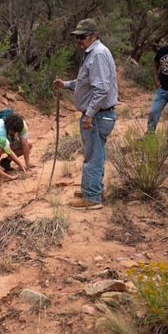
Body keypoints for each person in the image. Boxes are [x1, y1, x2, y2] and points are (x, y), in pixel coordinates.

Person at [55, 18, 118, 210]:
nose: (79, 41)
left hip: (98, 116)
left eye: (82, 37)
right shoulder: (93, 53)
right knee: (94, 153)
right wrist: (66, 84)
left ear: (94, 35)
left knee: (93, 156)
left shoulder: (97, 54)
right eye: (77, 37)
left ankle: (91, 197)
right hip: (98, 114)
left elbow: (101, 89)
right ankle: (92, 189)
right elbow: (85, 82)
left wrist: (89, 114)